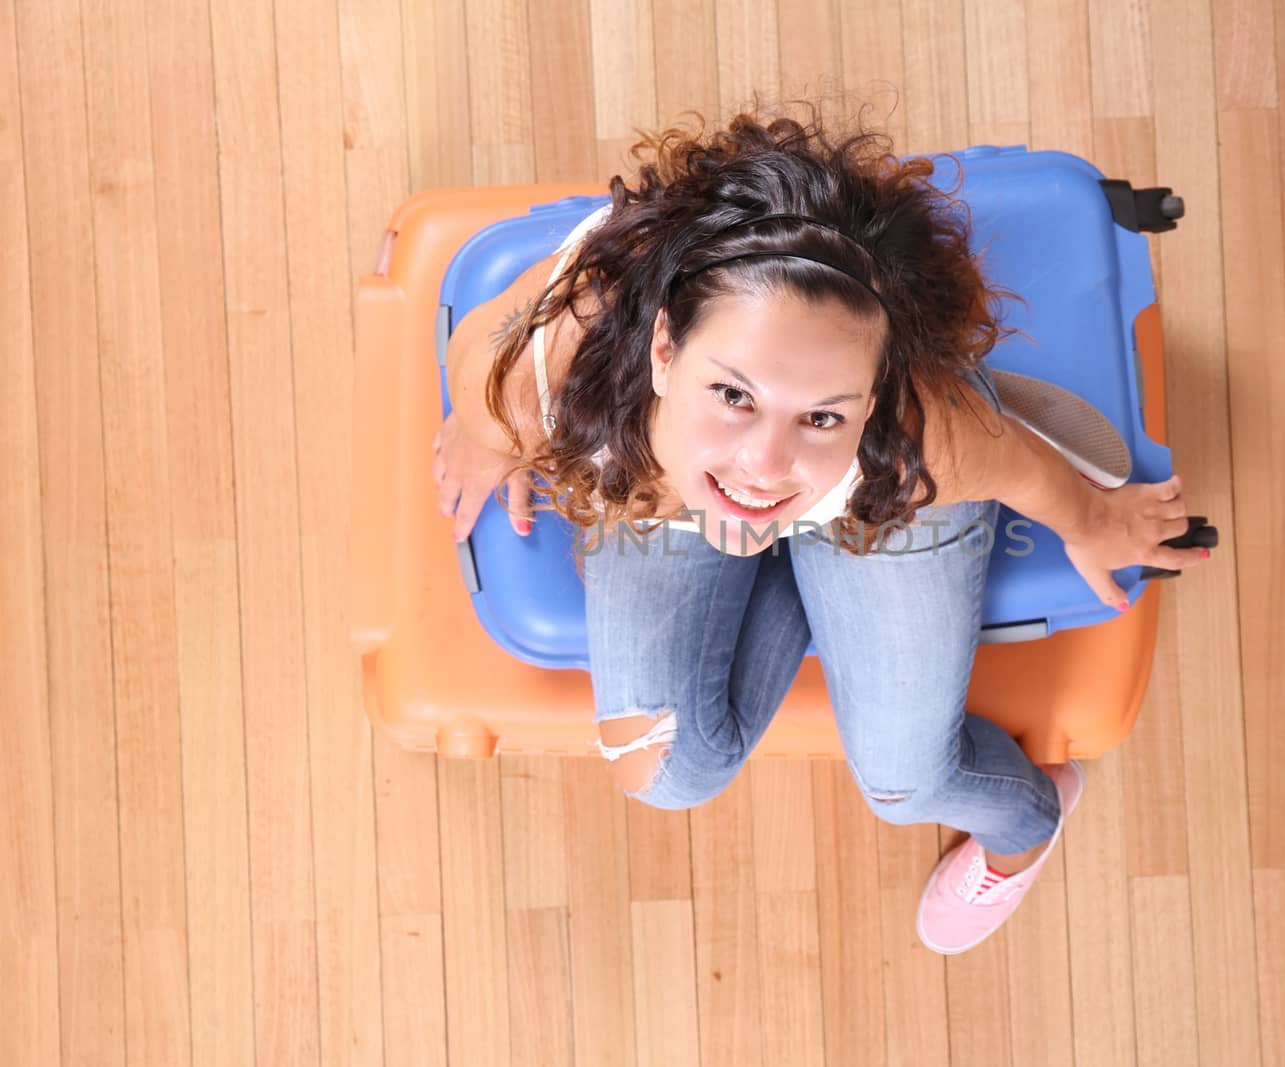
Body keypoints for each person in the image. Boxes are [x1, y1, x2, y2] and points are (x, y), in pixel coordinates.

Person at [431, 109, 1207, 954]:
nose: (764, 464)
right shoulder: (533, 383)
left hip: (869, 491)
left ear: (869, 399)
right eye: (733, 394)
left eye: (822, 410)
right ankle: (802, 543)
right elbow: (482, 354)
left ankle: (1026, 825)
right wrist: (486, 437)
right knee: (658, 767)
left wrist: (1097, 518)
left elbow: (1021, 472)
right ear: (662, 349)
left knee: (906, 785)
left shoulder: (917, 435)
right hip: (660, 483)